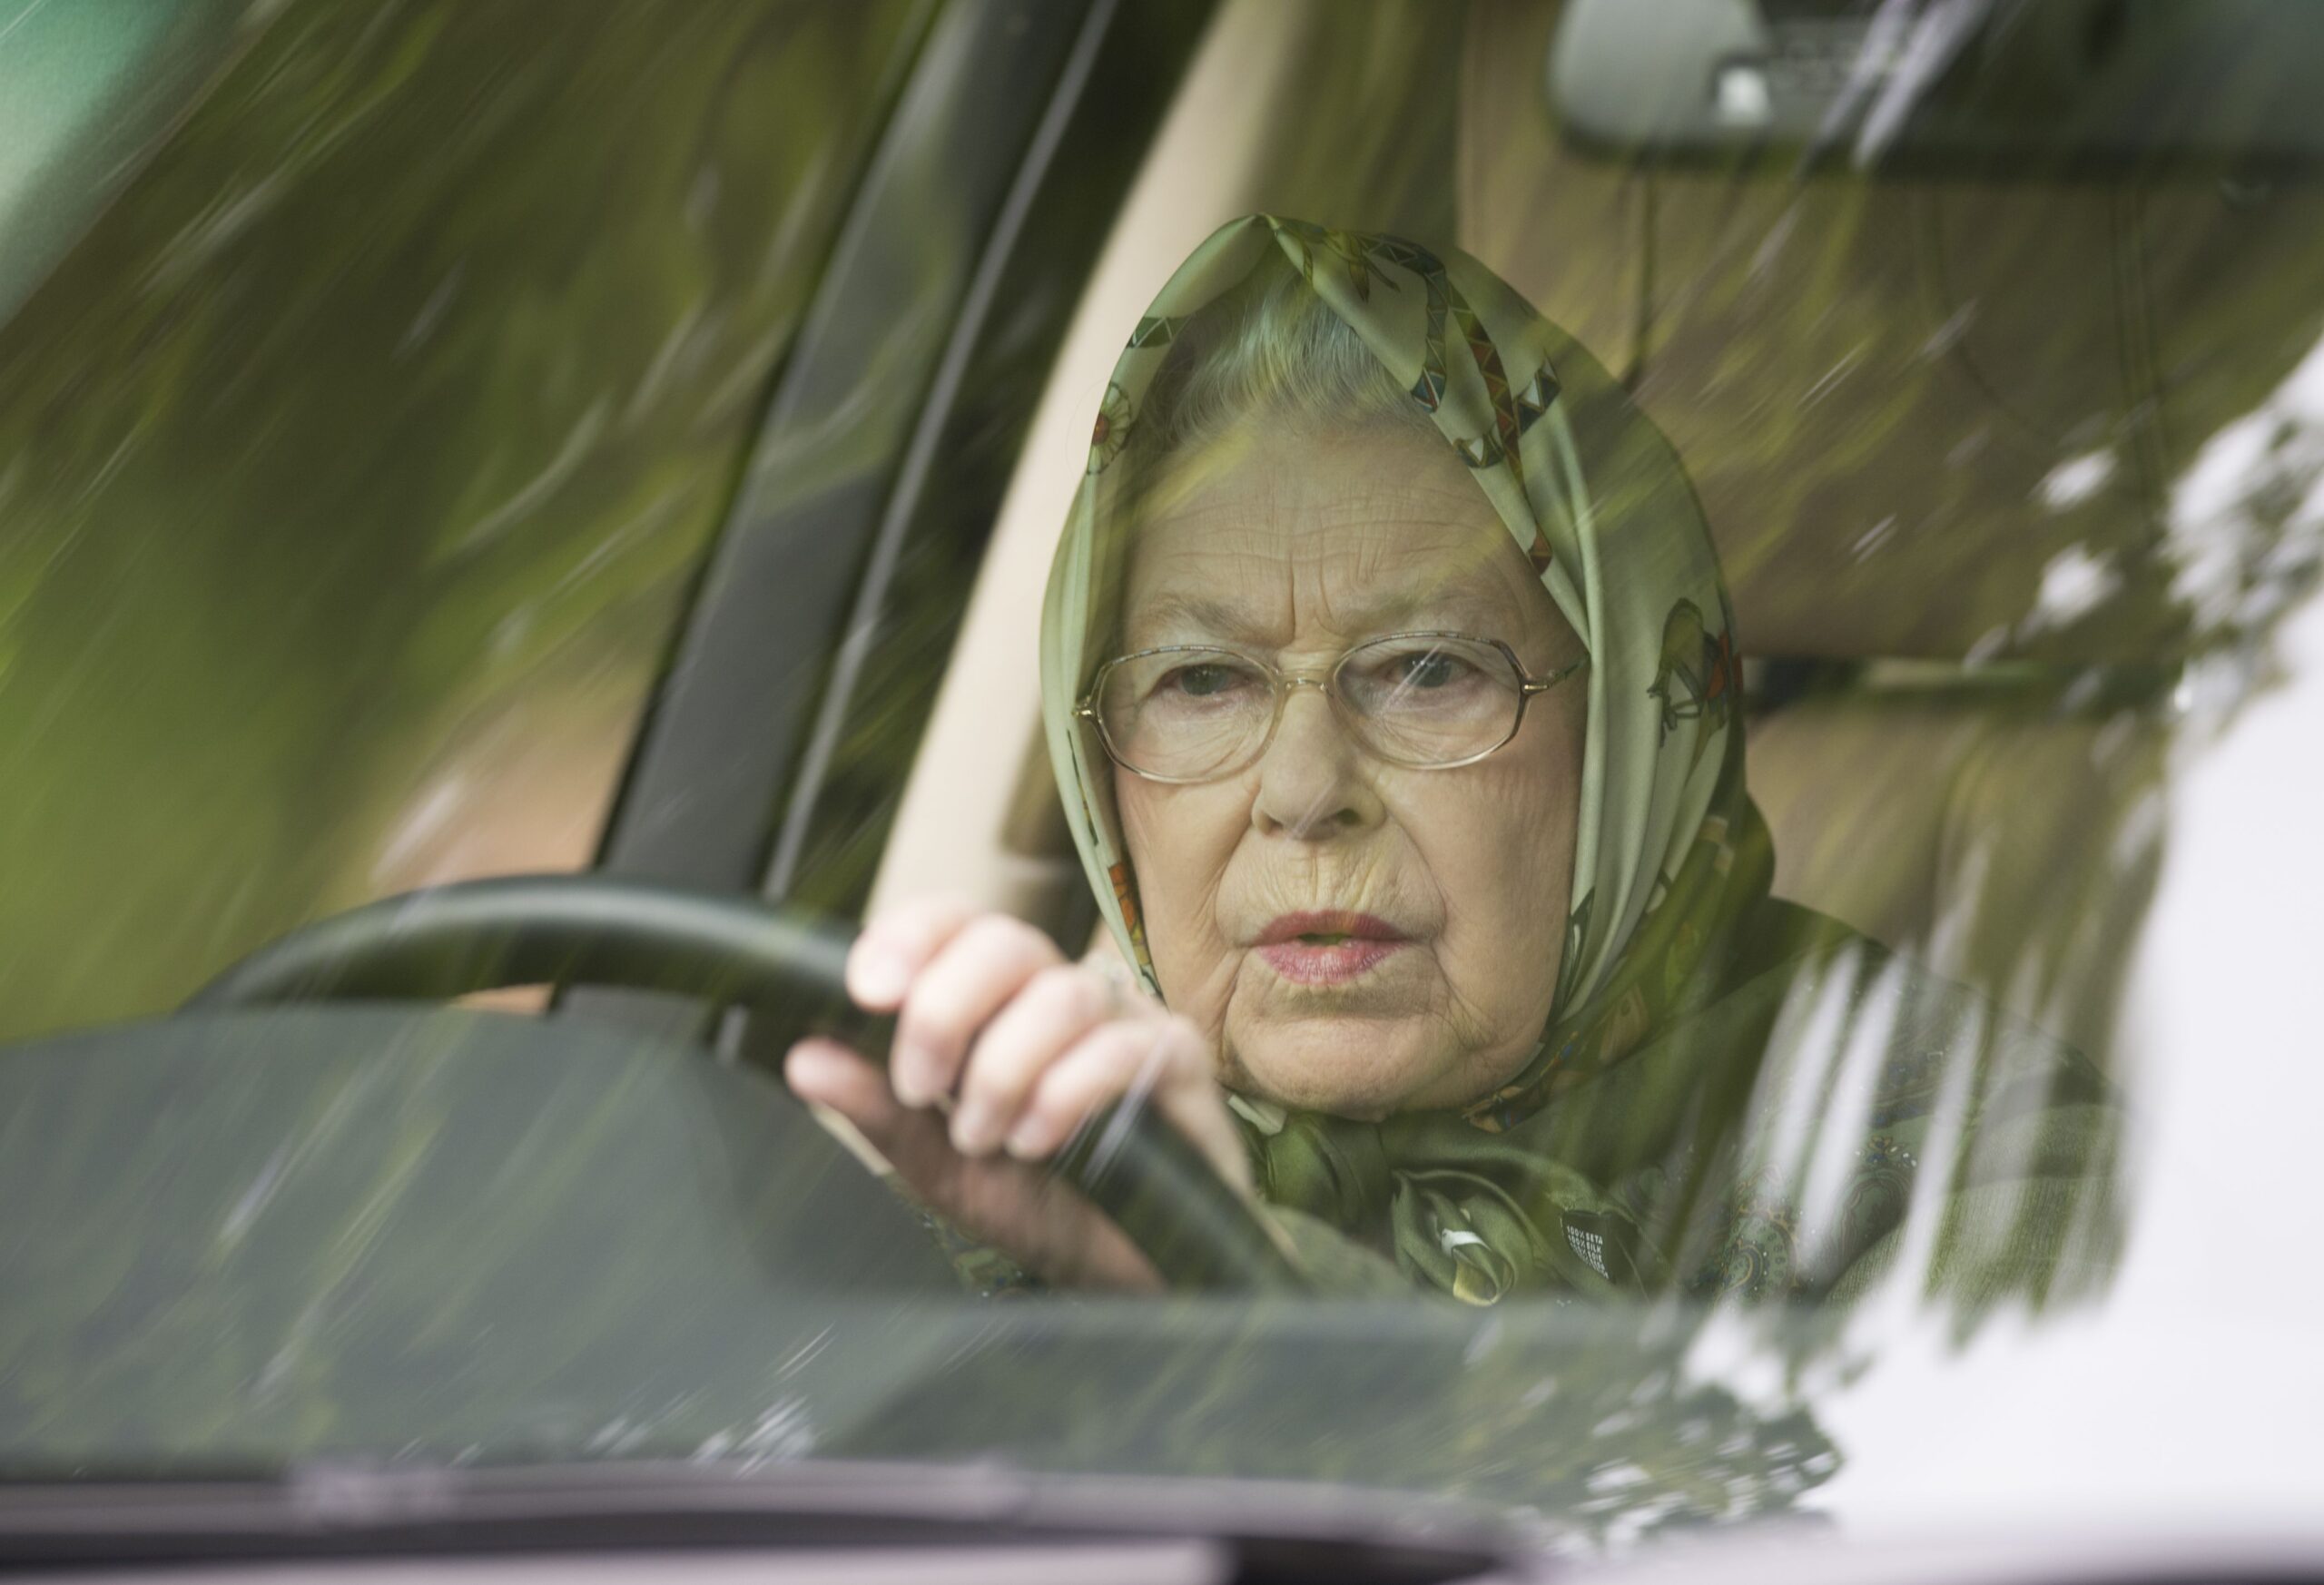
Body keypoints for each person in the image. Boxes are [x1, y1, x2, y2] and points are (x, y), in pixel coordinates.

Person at [786, 216, 2115, 1304]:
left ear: (1637, 736)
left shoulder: (1975, 1158)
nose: (1306, 792)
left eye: (1428, 670)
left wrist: (1226, 1288)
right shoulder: (1012, 1187)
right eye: (1201, 681)